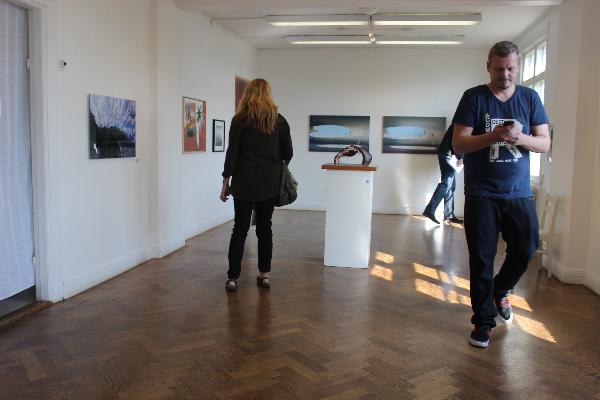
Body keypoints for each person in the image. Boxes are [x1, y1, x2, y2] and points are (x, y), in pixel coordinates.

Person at [452, 41, 551, 348]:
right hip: (481, 193)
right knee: (481, 258)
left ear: (517, 67)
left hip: (518, 192)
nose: (504, 74)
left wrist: (519, 138)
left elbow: (544, 143)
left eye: (510, 69)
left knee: (526, 248)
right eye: (498, 69)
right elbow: (459, 144)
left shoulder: (530, 97)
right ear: (488, 67)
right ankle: (483, 322)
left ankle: (500, 289)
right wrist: (494, 135)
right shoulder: (474, 97)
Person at [220, 78, 293, 292]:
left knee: (239, 230)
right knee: (264, 228)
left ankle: (233, 278)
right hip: (269, 183)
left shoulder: (239, 120)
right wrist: (273, 165)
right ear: (269, 94)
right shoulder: (279, 121)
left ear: (248, 94)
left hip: (243, 183)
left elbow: (232, 154)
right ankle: (265, 276)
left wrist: (226, 181)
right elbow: (288, 153)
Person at [422, 124, 464, 224]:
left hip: (448, 154)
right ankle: (429, 210)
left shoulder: (460, 122)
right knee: (446, 183)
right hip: (448, 154)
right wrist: (461, 157)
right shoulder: (462, 123)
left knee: (451, 185)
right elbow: (459, 141)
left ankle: (449, 215)